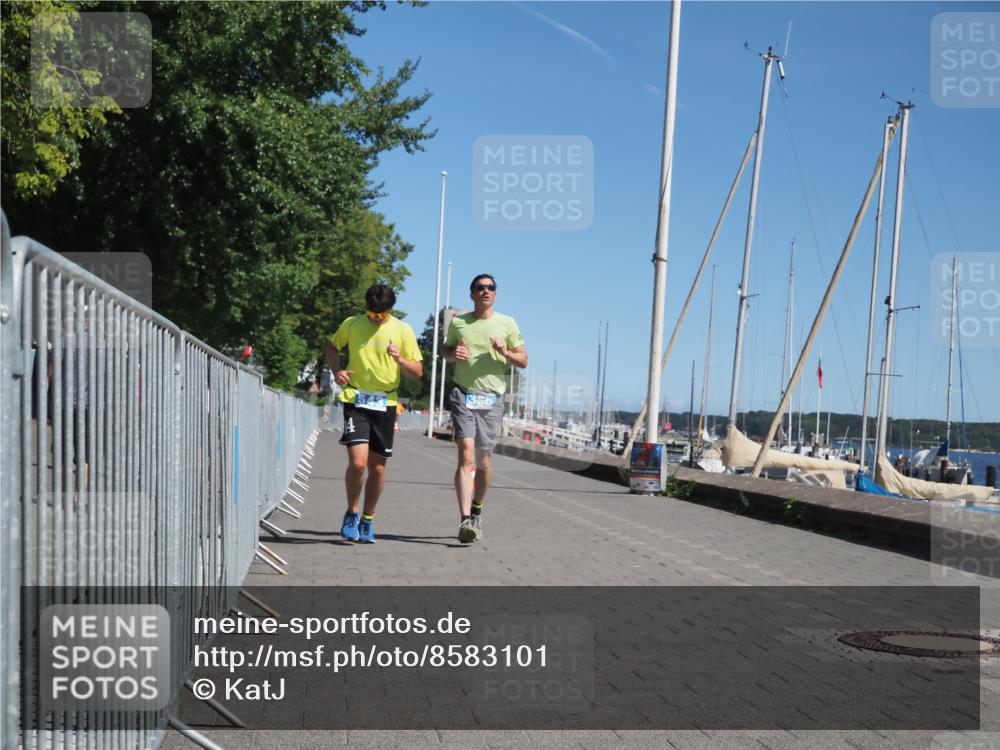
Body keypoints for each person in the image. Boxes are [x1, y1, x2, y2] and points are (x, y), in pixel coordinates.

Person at [324, 284, 423, 543]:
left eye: (381, 314)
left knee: (377, 469)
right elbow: (332, 348)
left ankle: (368, 518)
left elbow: (418, 371)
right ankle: (351, 513)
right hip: (355, 398)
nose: (376, 318)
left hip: (386, 403)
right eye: (371, 313)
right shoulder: (352, 324)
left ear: (390, 310)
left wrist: (400, 359)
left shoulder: (403, 330)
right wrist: (337, 372)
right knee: (358, 463)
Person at [442, 274, 528, 543]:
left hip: (491, 399)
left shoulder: (507, 323)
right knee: (466, 455)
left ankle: (477, 508)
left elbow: (523, 360)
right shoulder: (459, 322)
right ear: (472, 294)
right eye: (480, 288)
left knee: (485, 461)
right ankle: (465, 520)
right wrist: (452, 354)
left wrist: (506, 353)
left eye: (490, 288)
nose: (486, 292)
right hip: (463, 393)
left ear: (495, 294)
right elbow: (446, 351)